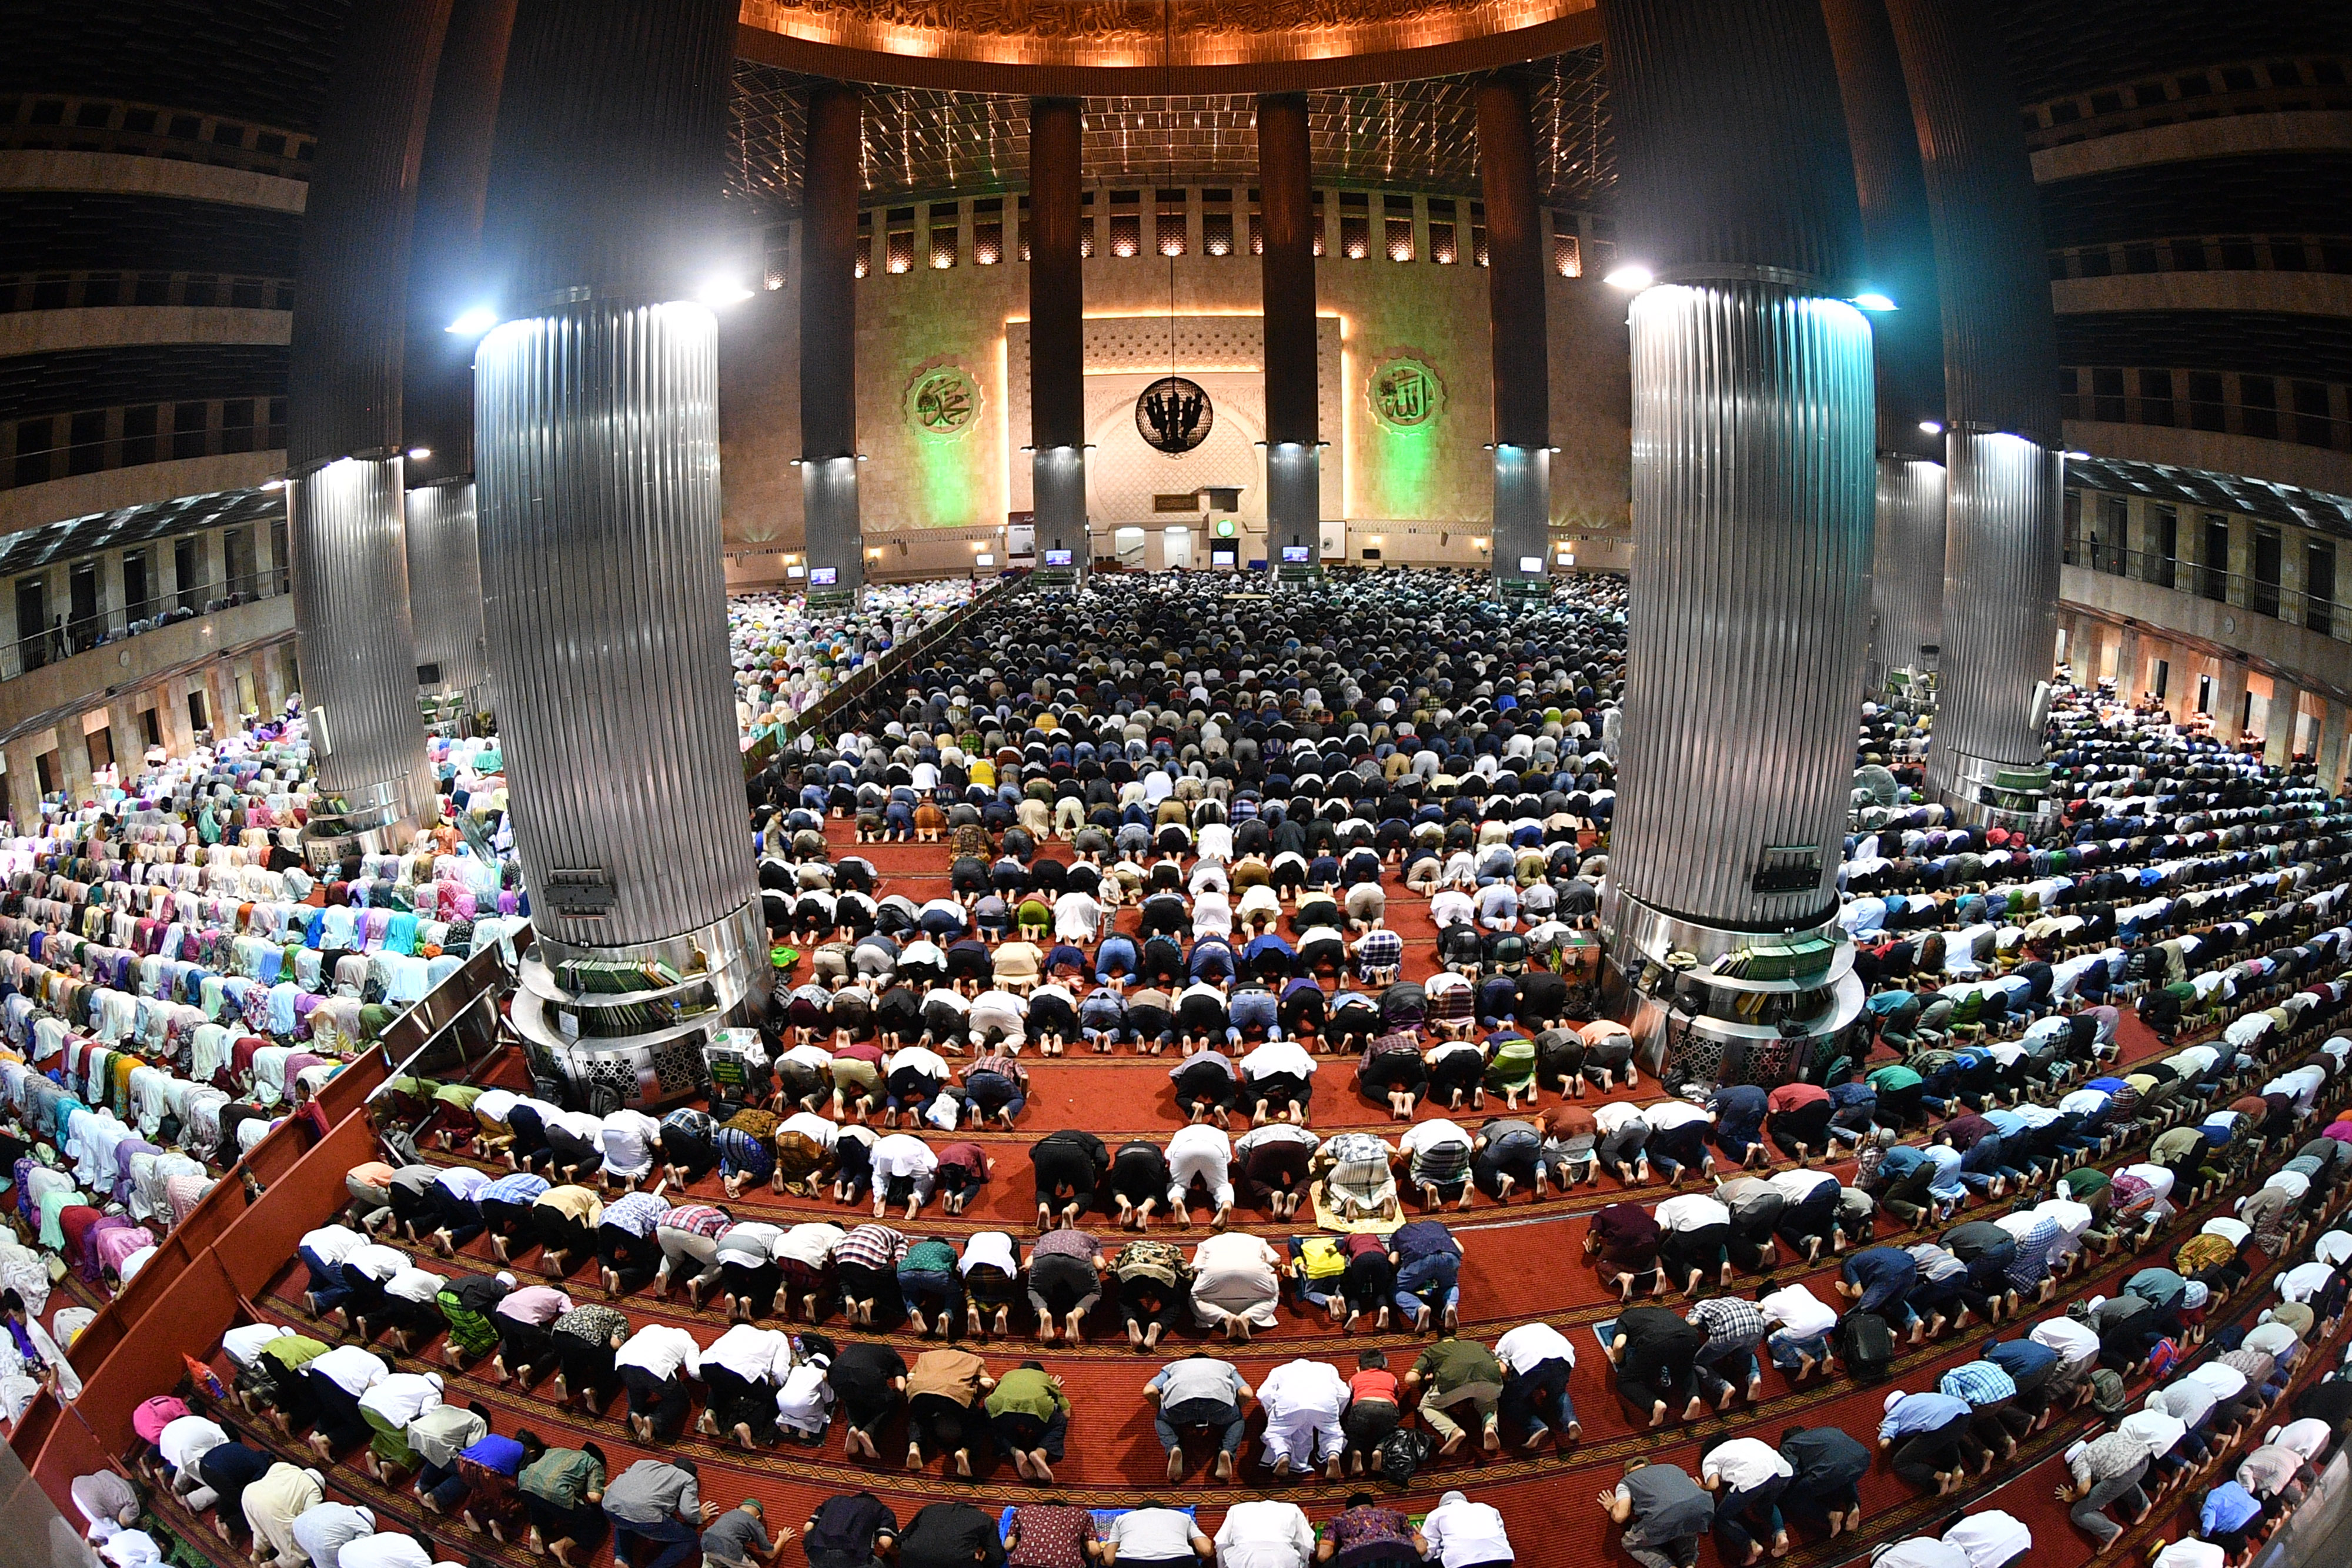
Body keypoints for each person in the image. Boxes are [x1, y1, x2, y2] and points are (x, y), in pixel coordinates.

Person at [1148, 1351, 1251, 1483]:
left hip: (1180, 1406)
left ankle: (1173, 1448)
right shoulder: (1227, 1366)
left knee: (1162, 1420)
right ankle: (1227, 1452)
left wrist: (1161, 1407)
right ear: (1210, 1360)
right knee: (1236, 1421)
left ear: (1188, 1360)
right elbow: (1246, 1393)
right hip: (1218, 1405)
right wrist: (1235, 1409)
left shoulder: (1173, 1366)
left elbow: (1150, 1391)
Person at [1600, 1458, 1715, 1568]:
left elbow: (1621, 1516)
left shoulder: (1627, 1481)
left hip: (1664, 1518)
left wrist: (1612, 1507)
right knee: (1687, 1527)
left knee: (1629, 1543)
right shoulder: (1672, 1468)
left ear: (1627, 1473)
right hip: (1704, 1507)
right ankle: (1689, 1563)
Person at [602, 1457, 715, 1568]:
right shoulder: (688, 1478)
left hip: (609, 1506)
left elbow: (624, 1479)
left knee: (624, 1516)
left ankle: (622, 1557)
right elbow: (688, 1512)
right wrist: (699, 1517)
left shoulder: (644, 1463)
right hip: (645, 1518)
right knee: (690, 1539)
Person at [1699, 1437, 1793, 1566]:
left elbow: (1714, 1485)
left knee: (1722, 1518)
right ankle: (1781, 1535)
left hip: (1751, 1480)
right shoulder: (1749, 1440)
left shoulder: (1710, 1458)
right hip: (1783, 1473)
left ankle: (1751, 1546)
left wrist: (1702, 1487)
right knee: (1766, 1504)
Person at [1408, 1334, 1505, 1456]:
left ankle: (1453, 1431)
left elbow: (1411, 1379)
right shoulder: (1478, 1345)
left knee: (1426, 1406)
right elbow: (1503, 1370)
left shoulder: (1432, 1350)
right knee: (1488, 1402)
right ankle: (1490, 1426)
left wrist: (1423, 1382)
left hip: (1452, 1383)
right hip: (1489, 1381)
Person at [904, 1345, 994, 1476]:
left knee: (918, 1418)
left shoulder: (926, 1355)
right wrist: (977, 1396)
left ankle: (914, 1446)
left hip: (920, 1393)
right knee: (977, 1422)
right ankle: (965, 1451)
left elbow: (910, 1377)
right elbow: (987, 1382)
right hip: (954, 1395)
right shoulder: (974, 1359)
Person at [1257, 1355, 1350, 1479]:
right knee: (1332, 1433)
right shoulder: (1328, 1368)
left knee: (1276, 1433)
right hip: (1324, 1401)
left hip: (1290, 1403)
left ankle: (1283, 1454)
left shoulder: (1279, 1370)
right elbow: (1345, 1393)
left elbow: (1263, 1394)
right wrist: (1336, 1412)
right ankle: (1333, 1454)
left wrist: (1272, 1413)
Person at [517, 1440, 606, 1568]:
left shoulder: (556, 1450)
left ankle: (536, 1531)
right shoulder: (592, 1462)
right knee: (597, 1519)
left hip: (525, 1485)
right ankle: (561, 1545)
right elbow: (595, 1497)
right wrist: (602, 1490)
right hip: (555, 1494)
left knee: (539, 1501)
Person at [1495, 1319, 1579, 1447]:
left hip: (1532, 1364)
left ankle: (1536, 1426)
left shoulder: (1504, 1342)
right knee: (1558, 1393)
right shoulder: (1542, 1326)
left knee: (1510, 1400)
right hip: (1564, 1357)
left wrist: (1512, 1385)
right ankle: (1571, 1421)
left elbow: (1504, 1370)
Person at [985, 1360, 1072, 1482]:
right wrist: (1053, 1389)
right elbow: (1067, 1414)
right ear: (1040, 1372)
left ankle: (1015, 1451)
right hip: (1035, 1412)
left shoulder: (1008, 1374)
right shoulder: (1044, 1377)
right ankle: (1041, 1453)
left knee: (991, 1424)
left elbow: (994, 1395)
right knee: (1059, 1423)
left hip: (1003, 1411)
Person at [1315, 1494, 1421, 1567]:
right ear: (1372, 1506)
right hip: (1402, 1557)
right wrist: (1420, 1536)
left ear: (1348, 1509)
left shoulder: (1337, 1519)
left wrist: (1317, 1546)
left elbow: (1323, 1556)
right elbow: (1422, 1549)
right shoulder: (1396, 1514)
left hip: (1359, 1558)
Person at [1102, 1501, 1212, 1567]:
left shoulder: (1122, 1519)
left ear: (1138, 1511)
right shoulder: (1183, 1517)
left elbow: (1109, 1559)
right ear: (1165, 1510)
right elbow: (1206, 1550)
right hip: (1179, 1562)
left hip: (1131, 1562)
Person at [801, 1493, 898, 1568]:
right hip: (849, 1554)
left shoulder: (834, 1500)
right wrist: (897, 1553)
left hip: (815, 1550)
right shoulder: (881, 1509)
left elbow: (807, 1528)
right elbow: (885, 1542)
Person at [1419, 1490, 1513, 1568]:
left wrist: (1423, 1554)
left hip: (1462, 1563)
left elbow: (1429, 1551)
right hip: (1502, 1557)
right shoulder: (1488, 1508)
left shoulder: (1437, 1513)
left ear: (1442, 1506)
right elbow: (1502, 1535)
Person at [1213, 1498, 1314, 1568]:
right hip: (1282, 1558)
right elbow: (1307, 1547)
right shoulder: (1293, 1509)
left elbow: (1221, 1545)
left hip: (1244, 1557)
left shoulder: (1236, 1510)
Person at [702, 1499, 792, 1568]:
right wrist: (782, 1539)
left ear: (736, 1509)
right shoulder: (755, 1523)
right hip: (729, 1550)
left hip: (706, 1545)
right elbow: (770, 1554)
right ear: (758, 1518)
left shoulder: (727, 1514)